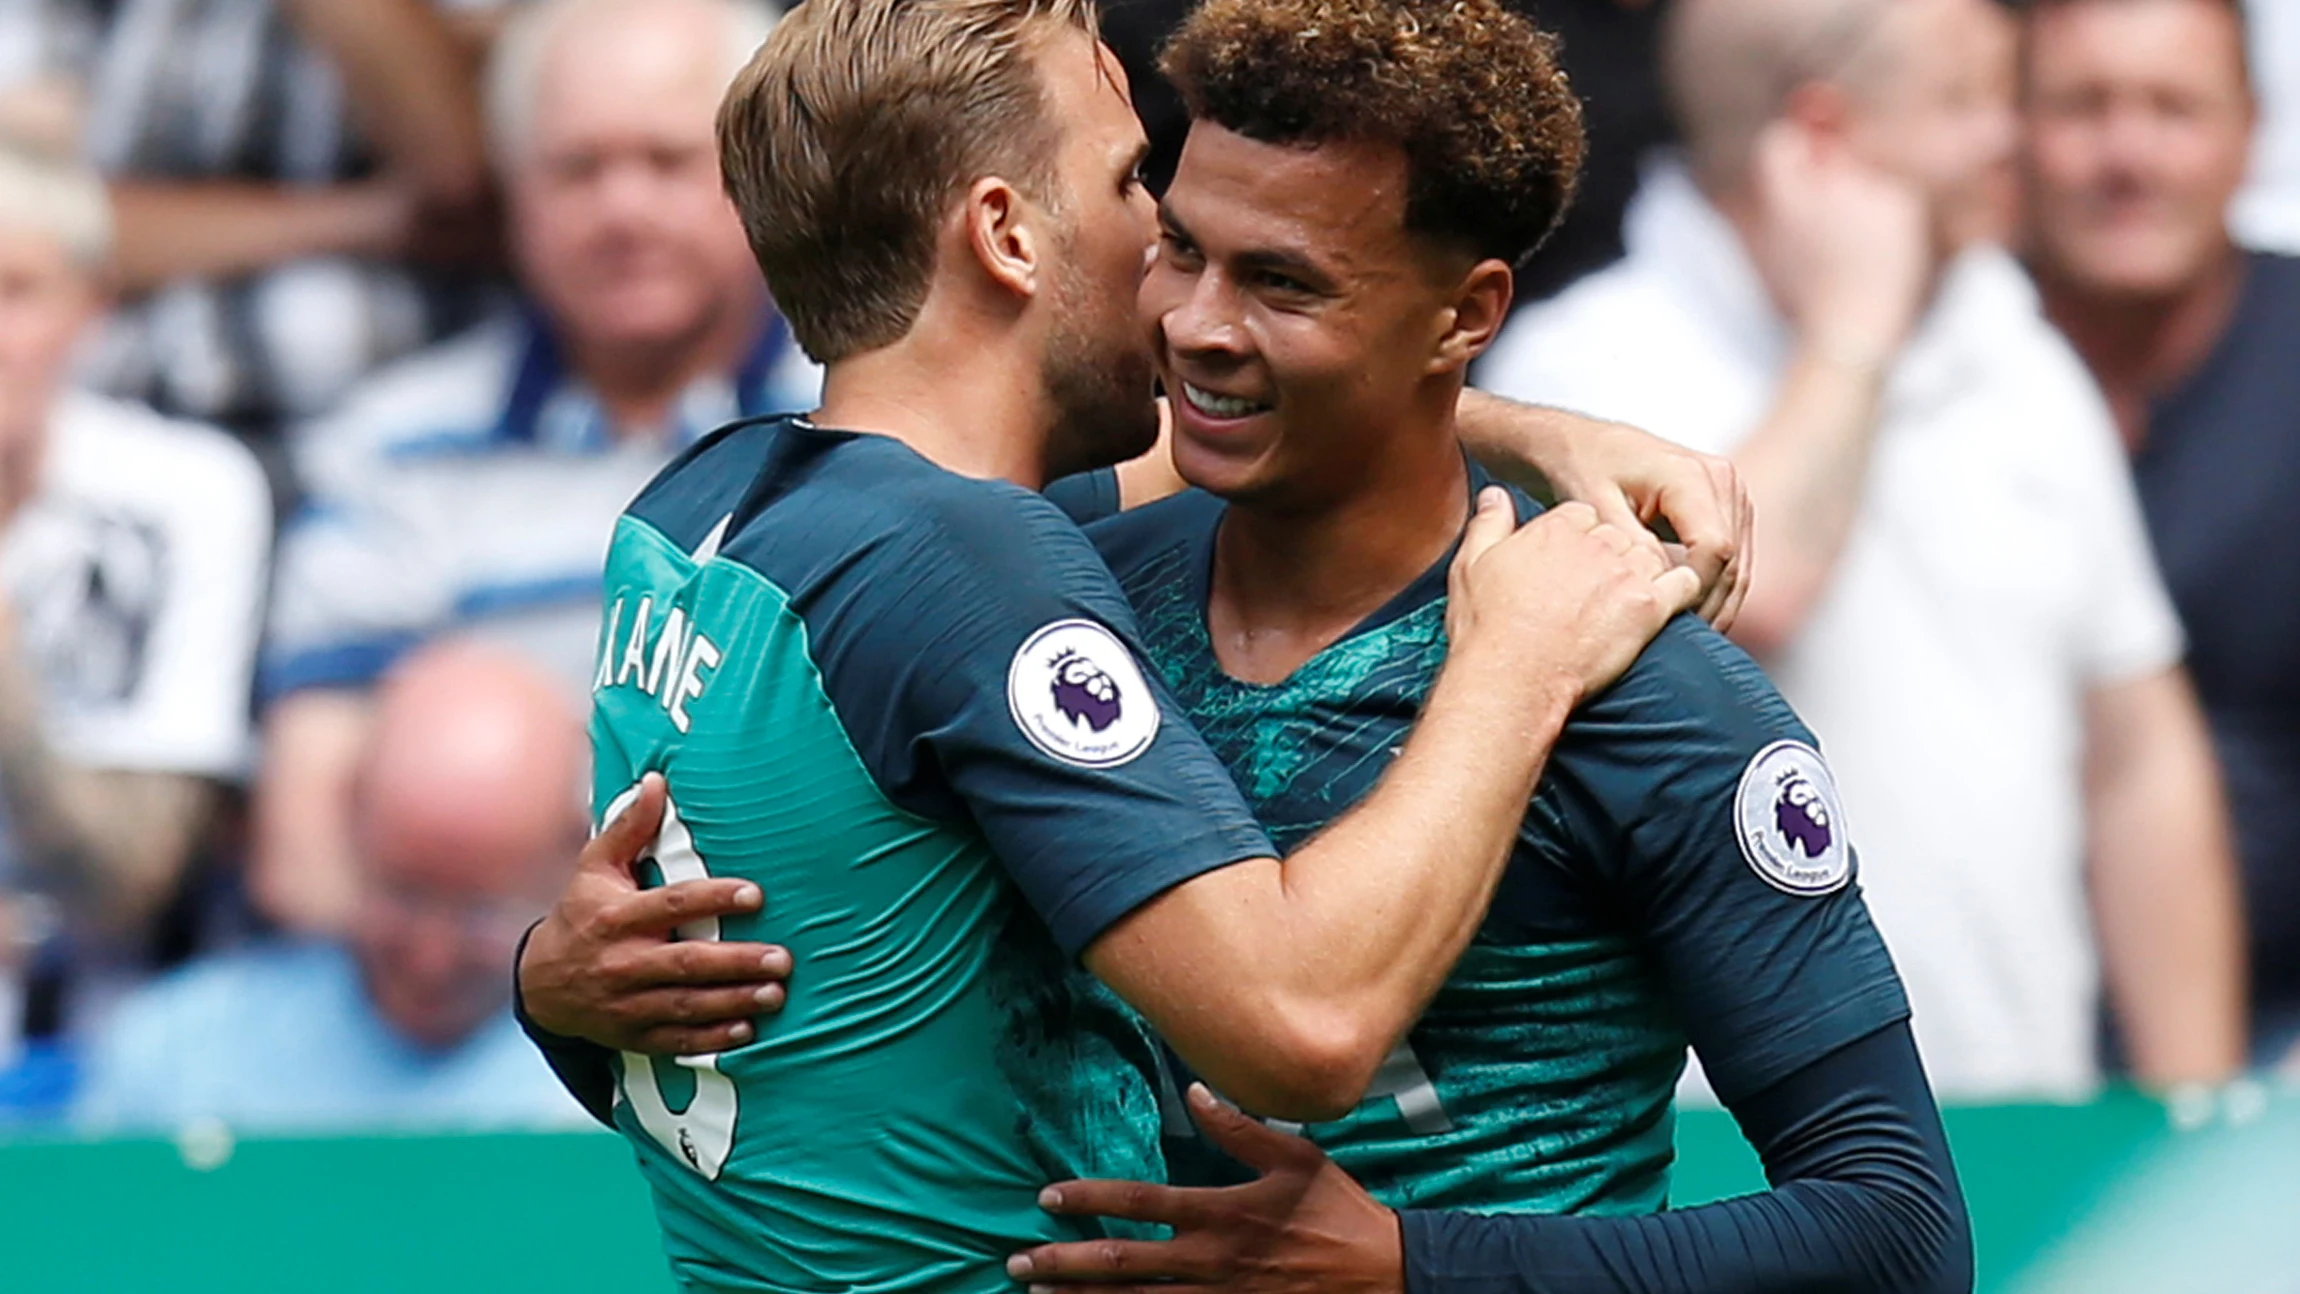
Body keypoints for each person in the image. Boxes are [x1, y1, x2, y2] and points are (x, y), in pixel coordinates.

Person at [512, 0, 1762, 1287]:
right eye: (1128, 188)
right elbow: (1303, 1026)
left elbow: (1237, 434)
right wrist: (1515, 665)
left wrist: (1515, 426)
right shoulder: (972, 565)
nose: (1160, 265)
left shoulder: (695, 515)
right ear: (1005, 234)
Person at [953, 0, 1966, 1287]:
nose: (1197, 324)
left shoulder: (1645, 700)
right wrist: (603, 1006)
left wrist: (1409, 1267)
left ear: (1463, 313)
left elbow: (1898, 1230)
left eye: (1281, 281)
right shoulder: (1062, 594)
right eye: (1183, 249)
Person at [1480, 0, 2247, 1100]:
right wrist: (1849, 333)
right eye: (1963, 100)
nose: (2012, 137)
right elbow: (1759, 586)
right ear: (1821, 136)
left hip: (2023, 1124)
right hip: (1721, 1165)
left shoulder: (2011, 347)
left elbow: (2135, 755)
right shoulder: (1583, 372)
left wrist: (2199, 1113)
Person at [252, 0, 818, 936]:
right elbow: (306, 851)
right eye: (577, 168)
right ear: (512, 191)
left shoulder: (859, 415)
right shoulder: (394, 449)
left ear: (764, 176)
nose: (623, 209)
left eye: (669, 161)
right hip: (473, 1003)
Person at [2020, 0, 2300, 1066]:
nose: (2124, 155)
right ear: (2011, 129)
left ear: (2249, 131)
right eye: (2082, 107)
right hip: (1982, 1035)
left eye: (2172, 109)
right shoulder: (1941, 364)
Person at [73, 641, 588, 1133]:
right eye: (404, 895)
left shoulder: (637, 1090)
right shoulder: (173, 1063)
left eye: (481, 915)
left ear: (573, 861)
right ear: (349, 821)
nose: (431, 958)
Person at [0, 144, 270, 1083]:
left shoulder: (187, 493)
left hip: (127, 1040)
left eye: (15, 291)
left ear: (91, 304)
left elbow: (131, 879)